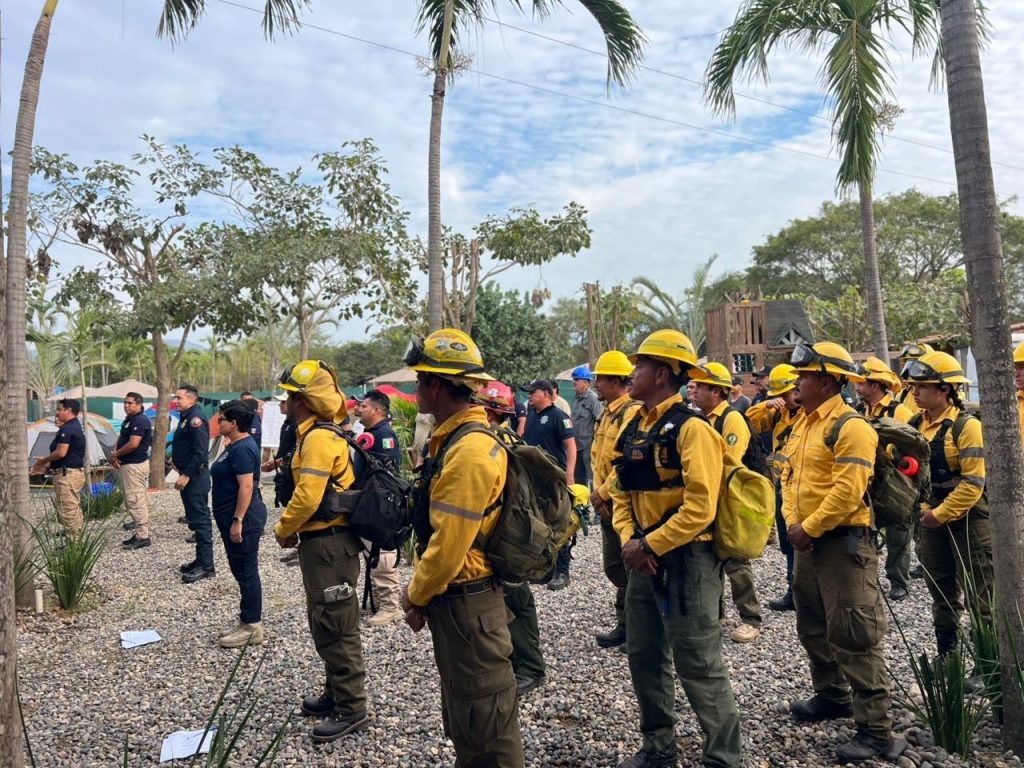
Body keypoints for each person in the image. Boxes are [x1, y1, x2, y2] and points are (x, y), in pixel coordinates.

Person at [611, 329, 742, 768]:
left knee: (699, 662)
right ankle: (658, 747)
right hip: (642, 557)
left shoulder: (693, 429)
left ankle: (724, 758)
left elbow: (701, 508)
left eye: (640, 366)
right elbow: (621, 491)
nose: (632, 374)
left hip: (689, 559)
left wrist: (649, 543)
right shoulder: (635, 425)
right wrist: (631, 540)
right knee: (644, 655)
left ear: (661, 374)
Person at [400, 329, 524, 767]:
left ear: (436, 385)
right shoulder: (453, 440)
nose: (417, 388)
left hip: (469, 606)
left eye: (420, 380)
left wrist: (415, 594)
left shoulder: (469, 450)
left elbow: (449, 545)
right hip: (459, 604)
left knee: (487, 727)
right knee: (469, 718)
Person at [781, 341, 901, 763]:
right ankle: (832, 695)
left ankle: (877, 730)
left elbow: (848, 491)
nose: (797, 382)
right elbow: (787, 478)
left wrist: (807, 527)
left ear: (829, 381)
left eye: (805, 376)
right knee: (813, 623)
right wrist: (794, 522)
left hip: (844, 545)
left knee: (855, 633)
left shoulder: (852, 427)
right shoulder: (803, 423)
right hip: (808, 542)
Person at [274, 359, 369, 743]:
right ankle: (335, 692)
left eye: (290, 396)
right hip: (324, 545)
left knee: (337, 626)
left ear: (302, 401)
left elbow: (308, 496)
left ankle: (352, 707)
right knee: (325, 622)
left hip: (330, 545)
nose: (285, 402)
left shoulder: (317, 439)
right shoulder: (315, 434)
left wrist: (283, 529)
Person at [906, 352, 993, 659]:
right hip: (930, 515)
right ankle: (948, 657)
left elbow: (973, 482)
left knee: (981, 595)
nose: (915, 392)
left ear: (944, 389)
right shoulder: (915, 424)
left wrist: (939, 515)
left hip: (970, 518)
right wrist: (923, 510)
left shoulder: (966, 427)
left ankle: (987, 663)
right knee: (940, 590)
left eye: (922, 386)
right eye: (913, 386)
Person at [475, 380, 547, 696]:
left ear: (490, 412)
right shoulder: (505, 440)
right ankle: (516, 660)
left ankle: (530, 667)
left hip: (508, 539)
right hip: (510, 537)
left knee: (517, 601)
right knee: (511, 600)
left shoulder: (494, 444)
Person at [689, 362, 764, 644]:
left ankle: (750, 619)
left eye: (702, 387)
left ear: (717, 392)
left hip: (729, 500)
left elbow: (728, 462)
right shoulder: (699, 419)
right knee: (710, 560)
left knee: (735, 560)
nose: (695, 390)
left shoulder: (731, 419)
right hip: (708, 499)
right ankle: (716, 615)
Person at [589, 350, 641, 650]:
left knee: (631, 564)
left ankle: (636, 628)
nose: (596, 384)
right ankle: (626, 624)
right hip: (605, 502)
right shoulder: (606, 413)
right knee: (616, 566)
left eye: (600, 379)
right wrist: (598, 494)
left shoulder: (630, 412)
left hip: (621, 502)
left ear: (615, 381)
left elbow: (624, 462)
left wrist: (603, 493)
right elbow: (598, 458)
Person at [854, 356, 917, 601]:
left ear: (876, 385)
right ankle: (866, 578)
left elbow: (914, 446)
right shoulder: (859, 411)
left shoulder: (899, 411)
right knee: (865, 529)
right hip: (868, 477)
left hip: (895, 479)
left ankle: (898, 581)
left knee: (898, 531)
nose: (858, 387)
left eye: (862, 383)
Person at [211, 399, 268, 648]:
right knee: (239, 568)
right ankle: (246, 619)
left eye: (221, 419)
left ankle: (252, 626)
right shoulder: (234, 445)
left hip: (244, 517)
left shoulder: (242, 448)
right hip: (229, 514)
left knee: (246, 570)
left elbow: (246, 486)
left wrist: (238, 520)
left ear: (234, 423)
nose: (218, 422)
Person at [745, 364, 802, 611]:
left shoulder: (809, 415)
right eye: (780, 396)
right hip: (782, 486)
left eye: (786, 395)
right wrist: (766, 405)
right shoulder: (780, 413)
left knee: (805, 540)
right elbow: (749, 421)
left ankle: (807, 592)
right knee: (788, 542)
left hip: (802, 488)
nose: (784, 400)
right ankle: (793, 590)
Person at [354, 389, 404, 627]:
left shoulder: (384, 435)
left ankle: (390, 607)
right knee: (371, 553)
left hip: (380, 503)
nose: (358, 409)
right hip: (368, 500)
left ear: (376, 410)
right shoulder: (370, 433)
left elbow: (385, 475)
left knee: (382, 554)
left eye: (363, 406)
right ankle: (378, 599)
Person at [522, 378, 577, 591]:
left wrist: (570, 474)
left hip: (554, 477)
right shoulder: (532, 416)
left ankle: (562, 571)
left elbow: (570, 446)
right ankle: (545, 569)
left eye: (533, 392)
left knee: (559, 522)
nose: (529, 396)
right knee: (539, 523)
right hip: (533, 478)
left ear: (545, 393)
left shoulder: (558, 417)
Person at [173, 385, 215, 584]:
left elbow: (200, 451)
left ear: (192, 400)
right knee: (195, 520)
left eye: (179, 398)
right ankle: (200, 560)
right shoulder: (186, 417)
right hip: (189, 475)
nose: (176, 401)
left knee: (201, 521)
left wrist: (186, 475)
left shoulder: (195, 419)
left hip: (195, 477)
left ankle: (207, 566)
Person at [30, 399, 87, 537]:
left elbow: (61, 452)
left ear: (68, 410)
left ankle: (74, 542)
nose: (57, 413)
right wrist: (47, 466)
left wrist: (43, 461)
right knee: (71, 505)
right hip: (70, 472)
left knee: (68, 507)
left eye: (59, 409)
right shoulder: (74, 426)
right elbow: (66, 455)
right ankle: (74, 533)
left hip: (67, 475)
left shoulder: (68, 428)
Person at [112, 392, 153, 550]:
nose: (126, 405)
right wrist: (115, 455)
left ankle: (143, 536)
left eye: (130, 403)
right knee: (132, 499)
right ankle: (139, 533)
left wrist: (116, 454)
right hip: (128, 464)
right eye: (125, 403)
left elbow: (133, 444)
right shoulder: (129, 420)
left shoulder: (140, 420)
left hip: (135, 465)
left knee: (135, 500)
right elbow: (122, 438)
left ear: (139, 404)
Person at [570, 365, 603, 486]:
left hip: (588, 446)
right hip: (576, 445)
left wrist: (596, 443)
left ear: (585, 382)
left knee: (591, 477)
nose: (573, 382)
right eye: (573, 379)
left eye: (576, 379)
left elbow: (600, 420)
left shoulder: (593, 399)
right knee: (578, 478)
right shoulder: (575, 398)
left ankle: (593, 497)